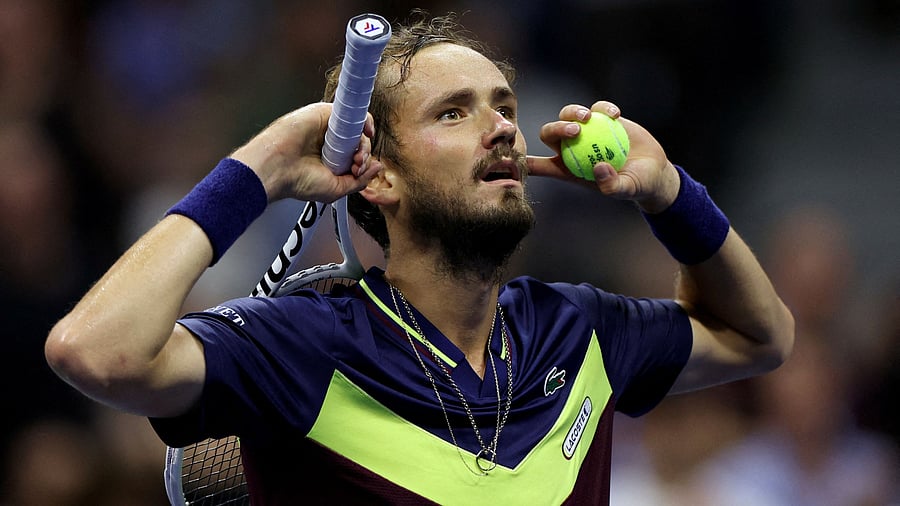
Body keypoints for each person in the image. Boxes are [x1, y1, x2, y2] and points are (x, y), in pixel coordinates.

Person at [45, 12, 794, 505]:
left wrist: (670, 194)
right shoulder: (302, 344)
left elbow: (761, 338)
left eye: (502, 104)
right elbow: (94, 351)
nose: (501, 128)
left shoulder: (579, 329)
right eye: (454, 112)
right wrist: (259, 168)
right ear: (381, 174)